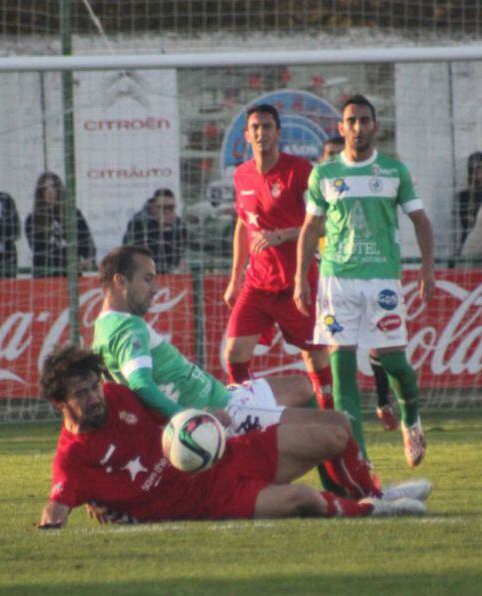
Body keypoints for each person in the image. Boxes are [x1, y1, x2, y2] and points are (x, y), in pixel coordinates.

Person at [91, 245, 422, 498]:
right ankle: (374, 496)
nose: (155, 288)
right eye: (147, 279)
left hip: (223, 395)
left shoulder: (104, 328)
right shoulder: (127, 328)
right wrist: (192, 421)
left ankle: (346, 482)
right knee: (338, 426)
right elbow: (142, 386)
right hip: (223, 412)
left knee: (306, 387)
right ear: (120, 282)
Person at [37, 344, 429, 528]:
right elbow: (56, 507)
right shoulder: (71, 460)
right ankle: (372, 511)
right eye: (81, 393)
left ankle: (377, 491)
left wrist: (205, 419)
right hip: (212, 500)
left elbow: (171, 420)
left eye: (93, 386)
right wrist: (54, 521)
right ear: (59, 403)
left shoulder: (119, 395)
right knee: (303, 498)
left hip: (226, 455)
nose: (93, 397)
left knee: (336, 430)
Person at [295, 94, 436, 468]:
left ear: (375, 126)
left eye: (364, 120)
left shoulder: (393, 172)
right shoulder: (323, 174)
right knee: (341, 369)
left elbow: (420, 221)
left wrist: (427, 268)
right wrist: (300, 279)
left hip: (382, 281)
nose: (358, 127)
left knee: (395, 363)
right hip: (336, 281)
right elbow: (310, 228)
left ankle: (412, 420)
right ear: (341, 128)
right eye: (351, 121)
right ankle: (357, 457)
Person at [223, 104, 334, 421]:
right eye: (255, 128)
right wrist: (235, 279)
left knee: (314, 357)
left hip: (296, 282)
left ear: (278, 132)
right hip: (257, 284)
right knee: (235, 354)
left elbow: (327, 223)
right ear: (247, 135)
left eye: (267, 127)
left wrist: (284, 235)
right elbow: (243, 226)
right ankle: (253, 419)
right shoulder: (241, 174)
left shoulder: (300, 171)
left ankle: (329, 421)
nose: (261, 133)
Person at [318, 135, 398, 432]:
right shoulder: (319, 188)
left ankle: (381, 401)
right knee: (333, 349)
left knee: (378, 342)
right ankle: (337, 411)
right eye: (328, 155)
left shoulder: (359, 191)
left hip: (365, 273)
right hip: (329, 276)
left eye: (337, 154)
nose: (333, 159)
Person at [25, 171, 96, 277]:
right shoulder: (33, 219)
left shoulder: (73, 214)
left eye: (53, 187)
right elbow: (38, 249)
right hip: (44, 277)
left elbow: (86, 241)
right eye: (45, 189)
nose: (50, 192)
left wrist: (87, 259)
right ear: (40, 193)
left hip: (71, 276)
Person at [122, 188, 187, 274]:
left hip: (171, 272)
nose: (168, 211)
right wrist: (160, 230)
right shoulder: (139, 223)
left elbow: (182, 252)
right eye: (163, 208)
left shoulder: (179, 225)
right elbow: (133, 254)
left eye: (171, 208)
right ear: (153, 208)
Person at [457, 151, 482, 250]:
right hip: (474, 244)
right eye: (479, 170)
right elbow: (467, 223)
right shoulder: (465, 196)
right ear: (472, 173)